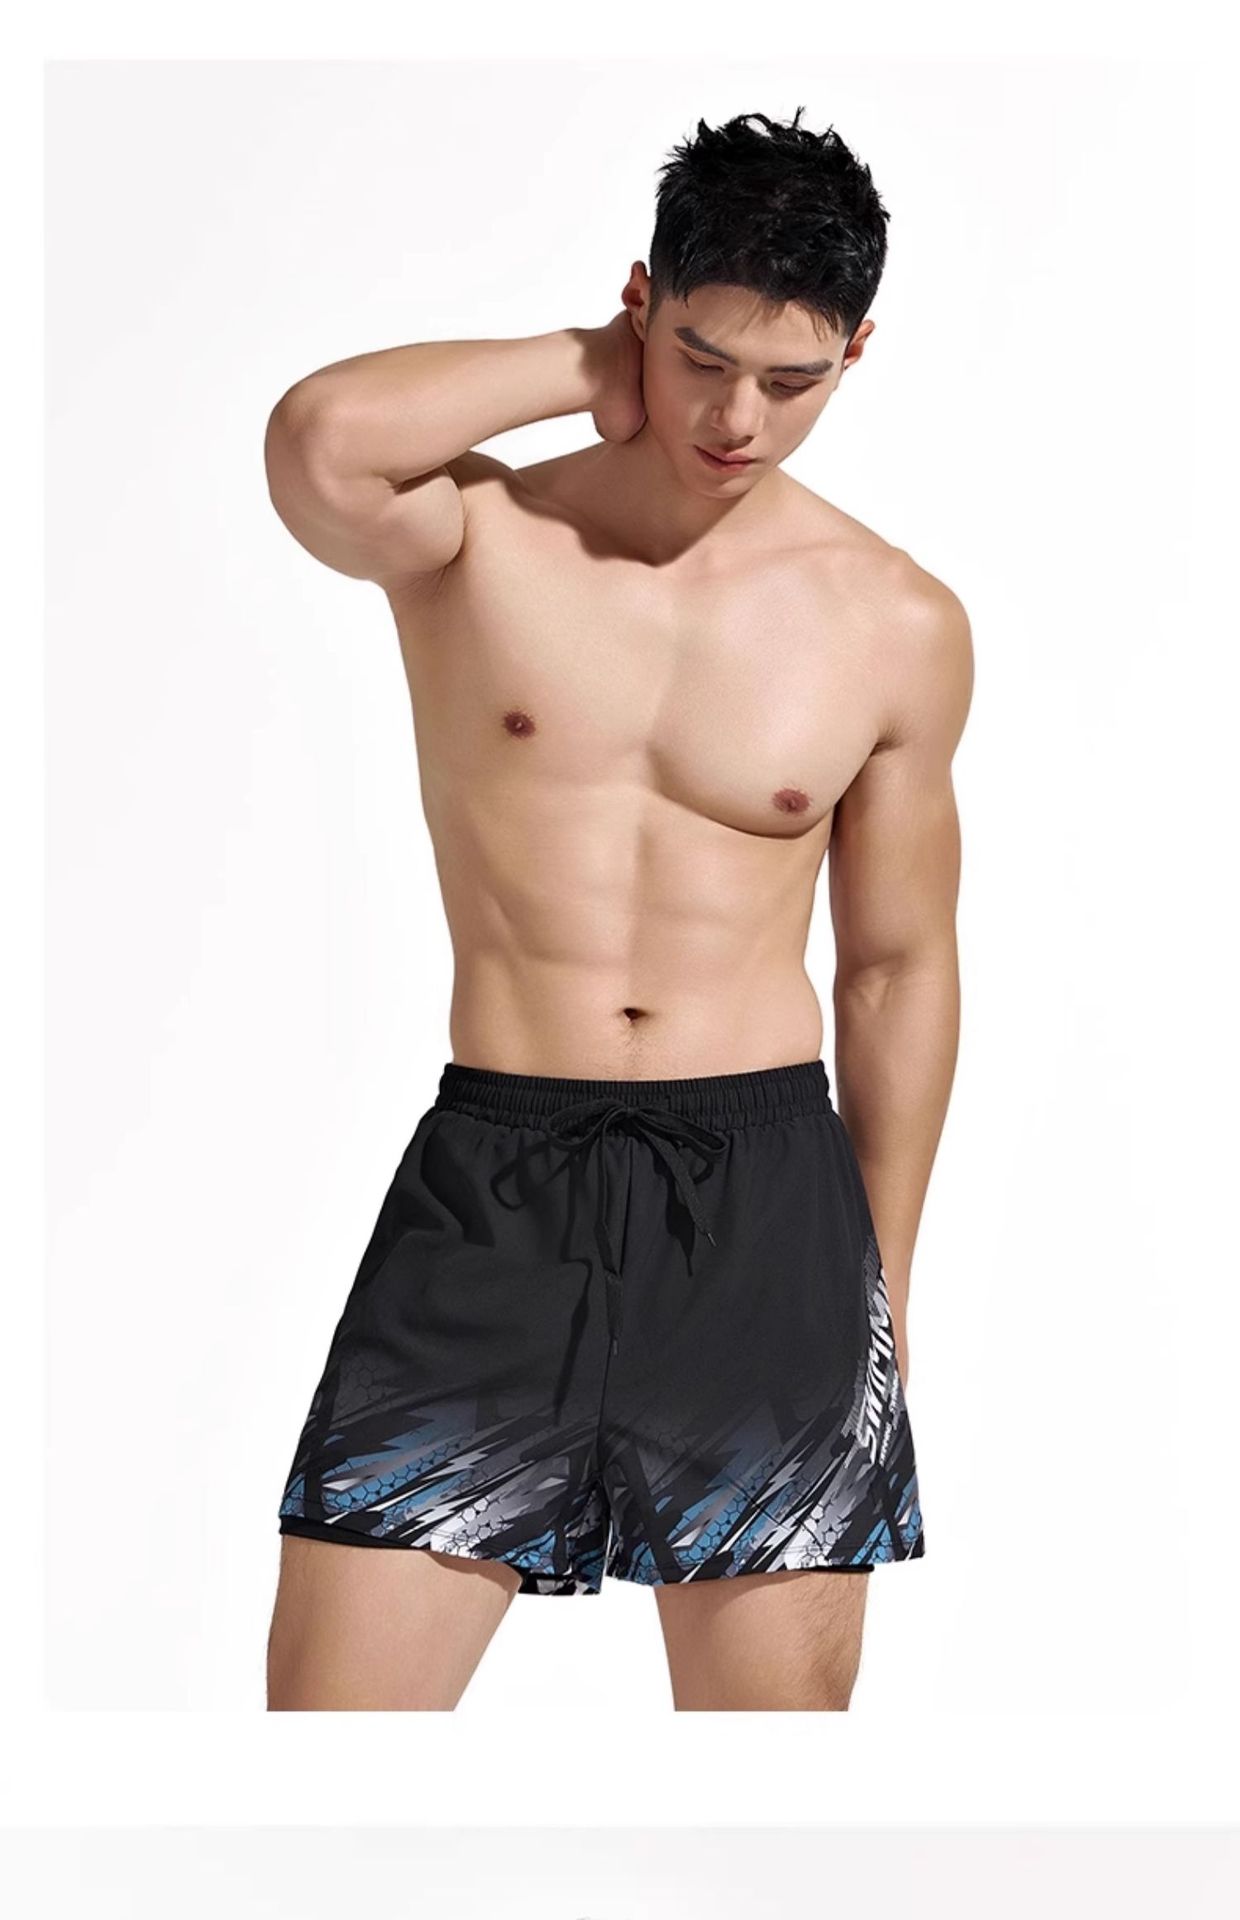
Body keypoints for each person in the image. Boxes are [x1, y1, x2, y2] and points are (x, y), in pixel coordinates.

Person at [262, 106, 973, 1712]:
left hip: (766, 1201)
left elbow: (896, 966)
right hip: (499, 1178)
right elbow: (318, 441)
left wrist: (882, 1288)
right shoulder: (481, 537)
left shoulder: (894, 621)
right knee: (323, 1749)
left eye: (792, 380)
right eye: (701, 357)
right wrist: (587, 362)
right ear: (640, 301)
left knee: (767, 1783)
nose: (736, 418)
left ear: (857, 353)